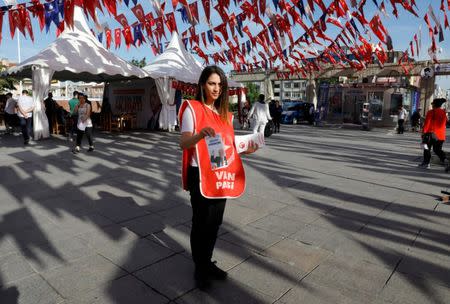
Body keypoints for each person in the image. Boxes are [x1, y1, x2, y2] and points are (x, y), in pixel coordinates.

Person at [179, 65, 258, 290]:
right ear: (203, 85)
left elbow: (228, 148)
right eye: (212, 83)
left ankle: (207, 262)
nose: (216, 88)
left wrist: (247, 148)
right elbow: (183, 143)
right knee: (201, 222)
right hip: (200, 174)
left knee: (215, 223)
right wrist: (199, 135)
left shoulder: (224, 115)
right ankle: (200, 267)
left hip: (220, 173)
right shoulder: (192, 109)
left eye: (219, 85)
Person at [419, 98, 448, 169]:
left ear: (434, 104)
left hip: (430, 134)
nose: (432, 105)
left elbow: (427, 123)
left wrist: (423, 133)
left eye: (432, 104)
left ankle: (426, 163)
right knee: (437, 149)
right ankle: (445, 159)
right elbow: (445, 122)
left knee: (426, 148)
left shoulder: (431, 112)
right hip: (441, 135)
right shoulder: (443, 112)